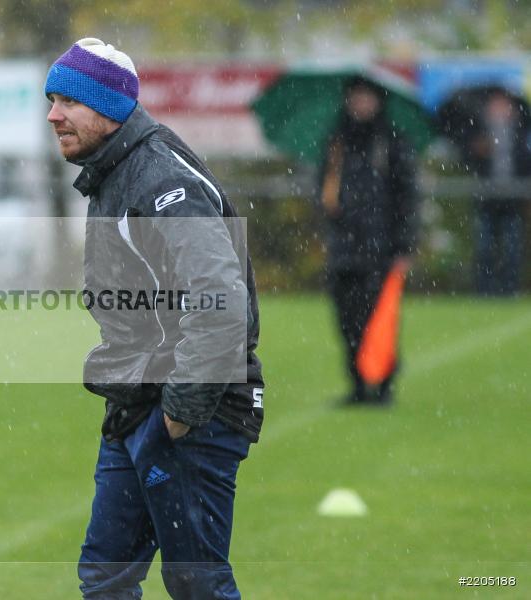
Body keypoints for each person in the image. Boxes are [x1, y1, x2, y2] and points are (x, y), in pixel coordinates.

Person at [45, 38, 265, 599]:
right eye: (50, 100)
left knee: (197, 586)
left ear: (108, 106)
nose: (53, 115)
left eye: (68, 100)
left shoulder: (162, 181)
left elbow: (219, 301)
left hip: (192, 408)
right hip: (138, 401)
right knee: (106, 576)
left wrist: (180, 414)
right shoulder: (113, 169)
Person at [317, 77, 418, 406]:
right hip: (343, 248)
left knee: (380, 319)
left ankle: (384, 386)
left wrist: (404, 245)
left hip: (381, 249)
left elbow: (407, 198)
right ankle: (357, 385)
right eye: (356, 98)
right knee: (346, 320)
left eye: (367, 98)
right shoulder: (336, 144)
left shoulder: (392, 143)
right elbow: (322, 192)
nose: (361, 104)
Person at [463, 89, 530, 296]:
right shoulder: (477, 130)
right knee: (485, 249)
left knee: (512, 248)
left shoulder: (521, 132)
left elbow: (525, 162)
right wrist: (477, 152)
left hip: (512, 200)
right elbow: (466, 159)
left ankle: (509, 290)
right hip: (487, 199)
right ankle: (485, 290)